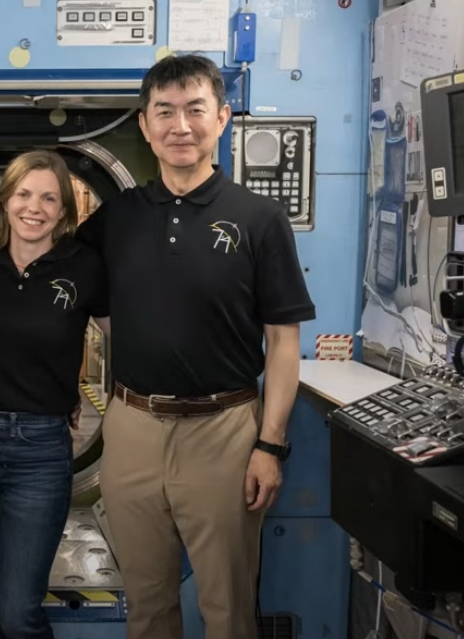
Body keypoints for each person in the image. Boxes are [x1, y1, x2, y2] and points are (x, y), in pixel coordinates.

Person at [75, 54, 315, 639]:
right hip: (131, 427)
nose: (180, 125)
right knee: (146, 605)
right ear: (144, 125)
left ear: (224, 118)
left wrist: (270, 445)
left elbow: (284, 342)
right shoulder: (117, 218)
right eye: (165, 112)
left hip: (225, 429)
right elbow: (57, 281)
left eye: (195, 109)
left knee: (228, 609)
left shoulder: (258, 218)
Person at [0, 149, 110, 639]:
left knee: (18, 611)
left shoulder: (84, 266)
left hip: (39, 449)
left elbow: (124, 339)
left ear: (63, 210)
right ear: (4, 201)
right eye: (23, 194)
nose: (33, 207)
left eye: (48, 198)